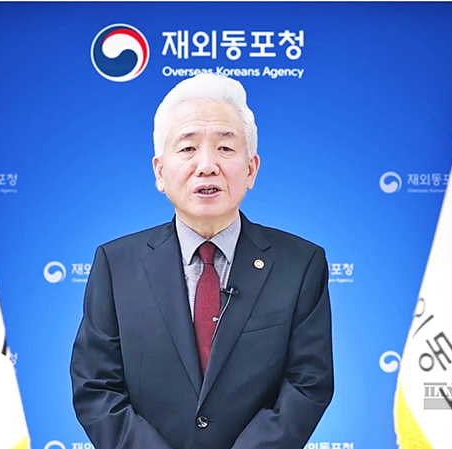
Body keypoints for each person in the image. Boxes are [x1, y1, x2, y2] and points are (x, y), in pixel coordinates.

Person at [70, 73, 334, 449]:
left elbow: (308, 383)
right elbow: (96, 387)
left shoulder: (301, 264)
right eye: (188, 148)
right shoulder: (116, 264)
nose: (207, 165)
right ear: (160, 171)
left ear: (251, 169)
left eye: (225, 148)